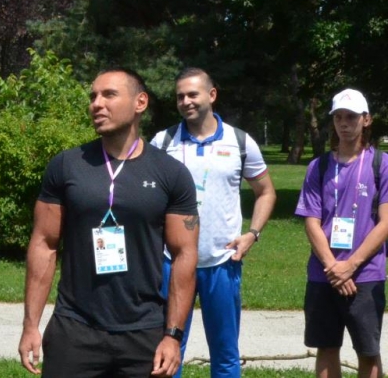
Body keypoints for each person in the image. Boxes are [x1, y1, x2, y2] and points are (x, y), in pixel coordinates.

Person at [18, 68, 200, 378]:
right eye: (93, 97)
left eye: (109, 95)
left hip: (144, 332)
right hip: (75, 327)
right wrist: (30, 325)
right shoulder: (67, 166)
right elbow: (44, 244)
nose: (96, 104)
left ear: (140, 102)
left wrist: (172, 336)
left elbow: (185, 254)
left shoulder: (171, 174)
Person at [150, 67, 276, 378]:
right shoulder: (162, 142)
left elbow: (266, 192)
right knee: (167, 351)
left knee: (225, 355)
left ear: (212, 95)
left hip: (221, 261)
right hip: (171, 262)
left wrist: (252, 234)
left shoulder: (240, 142)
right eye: (180, 96)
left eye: (192, 94)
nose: (186, 101)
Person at [295, 88, 388, 378]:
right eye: (338, 117)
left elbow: (385, 223)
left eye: (351, 117)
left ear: (366, 119)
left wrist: (351, 266)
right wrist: (333, 267)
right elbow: (311, 220)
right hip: (324, 273)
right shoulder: (319, 166)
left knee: (368, 352)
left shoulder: (381, 164)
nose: (344, 123)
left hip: (366, 274)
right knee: (326, 347)